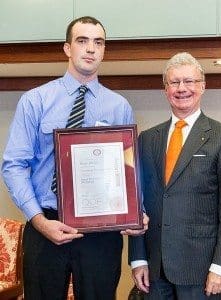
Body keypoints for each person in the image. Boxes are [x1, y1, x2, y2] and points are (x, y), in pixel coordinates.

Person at [1, 16, 147, 300]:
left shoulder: (119, 107)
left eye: (98, 42)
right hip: (46, 225)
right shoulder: (35, 100)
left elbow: (129, 170)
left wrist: (135, 210)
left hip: (102, 232)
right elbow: (14, 165)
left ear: (104, 50)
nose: (91, 48)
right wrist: (39, 220)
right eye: (82, 41)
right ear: (67, 48)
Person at [129, 52, 221, 300]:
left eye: (189, 81)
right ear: (165, 89)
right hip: (155, 269)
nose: (182, 88)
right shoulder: (147, 139)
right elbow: (138, 203)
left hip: (201, 270)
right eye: (174, 82)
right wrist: (138, 257)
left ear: (202, 87)